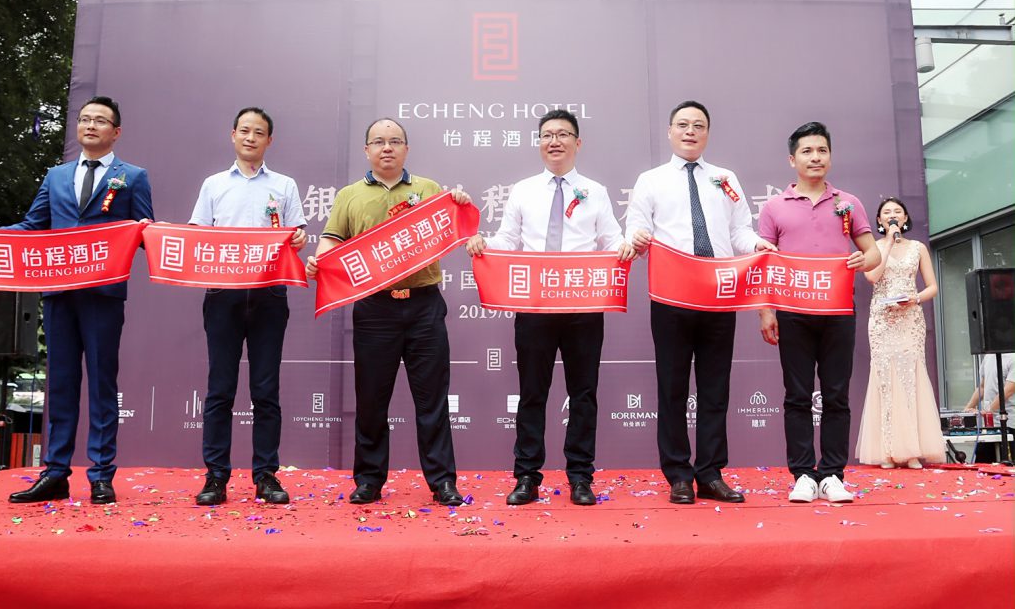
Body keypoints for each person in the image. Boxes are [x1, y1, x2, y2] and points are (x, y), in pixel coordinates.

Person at [465, 109, 635, 506]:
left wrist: (625, 246)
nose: (554, 141)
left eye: (562, 134)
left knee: (584, 394)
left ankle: (581, 477)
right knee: (532, 393)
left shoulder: (595, 191)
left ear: (578, 143)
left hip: (583, 306)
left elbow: (611, 239)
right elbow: (508, 239)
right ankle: (527, 476)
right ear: (539, 143)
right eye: (547, 135)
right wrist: (484, 244)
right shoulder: (523, 190)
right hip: (535, 306)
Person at [306, 118, 470, 506]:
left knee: (432, 400)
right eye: (378, 142)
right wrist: (318, 261)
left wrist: (460, 203)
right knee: (371, 399)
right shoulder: (350, 195)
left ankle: (442, 481)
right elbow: (331, 241)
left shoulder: (428, 189)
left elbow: (453, 225)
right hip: (375, 309)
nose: (387, 148)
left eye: (395, 141)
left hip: (424, 305)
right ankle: (369, 480)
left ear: (406, 149)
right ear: (366, 150)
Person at [626, 100, 776, 505]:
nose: (690, 131)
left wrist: (757, 245)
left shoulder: (725, 179)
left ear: (707, 133)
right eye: (683, 124)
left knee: (715, 388)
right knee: (672, 387)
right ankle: (678, 474)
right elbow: (637, 226)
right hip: (671, 295)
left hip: (718, 295)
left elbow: (739, 230)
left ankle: (710, 473)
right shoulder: (651, 180)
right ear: (670, 132)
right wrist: (637, 238)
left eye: (698, 125)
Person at [7, 96, 154, 504]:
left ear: (115, 132)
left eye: (100, 121)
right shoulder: (56, 176)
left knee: (103, 383)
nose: (90, 125)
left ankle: (101, 474)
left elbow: (145, 232)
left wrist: (147, 230)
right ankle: (55, 472)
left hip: (103, 295)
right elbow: (32, 226)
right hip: (59, 294)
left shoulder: (133, 177)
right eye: (85, 119)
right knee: (61, 383)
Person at [188, 107, 306, 506]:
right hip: (223, 293)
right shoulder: (214, 184)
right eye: (244, 130)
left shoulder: (284, 185)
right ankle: (215, 476)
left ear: (269, 140)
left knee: (265, 389)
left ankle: (266, 475)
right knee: (220, 389)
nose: (250, 137)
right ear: (233, 135)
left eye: (259, 132)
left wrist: (298, 239)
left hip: (269, 293)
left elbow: (297, 232)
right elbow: (198, 235)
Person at [758, 121, 880, 504]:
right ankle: (803, 475)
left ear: (830, 156)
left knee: (836, 394)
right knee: (796, 395)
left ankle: (832, 475)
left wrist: (864, 259)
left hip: (838, 309)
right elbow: (763, 263)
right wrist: (765, 311)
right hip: (792, 310)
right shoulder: (774, 207)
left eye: (822, 150)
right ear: (792, 159)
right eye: (807, 151)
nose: (815, 157)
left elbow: (873, 252)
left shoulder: (848, 202)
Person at [855, 197, 944, 469]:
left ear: (905, 218)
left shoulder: (918, 248)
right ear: (879, 220)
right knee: (885, 380)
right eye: (886, 212)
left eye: (897, 212)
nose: (892, 215)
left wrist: (915, 299)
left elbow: (932, 286)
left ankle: (912, 451)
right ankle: (888, 451)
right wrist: (889, 244)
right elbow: (872, 277)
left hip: (910, 319)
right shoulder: (874, 248)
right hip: (882, 321)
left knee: (910, 380)